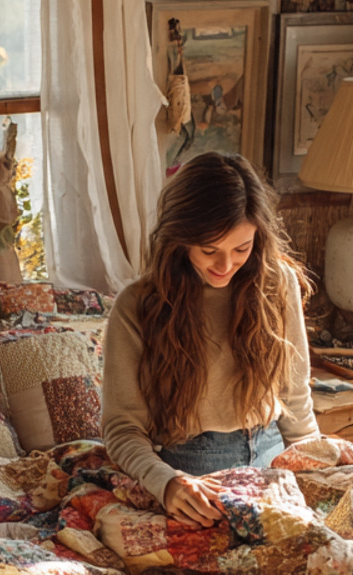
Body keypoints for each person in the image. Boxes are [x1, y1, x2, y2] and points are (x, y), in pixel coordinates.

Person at [102, 151, 321, 528]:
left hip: (274, 457)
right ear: (180, 238)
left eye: (241, 249)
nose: (225, 266)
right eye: (209, 250)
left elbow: (295, 400)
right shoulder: (137, 305)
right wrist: (166, 483)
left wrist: (319, 471)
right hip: (191, 471)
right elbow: (122, 430)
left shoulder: (277, 283)